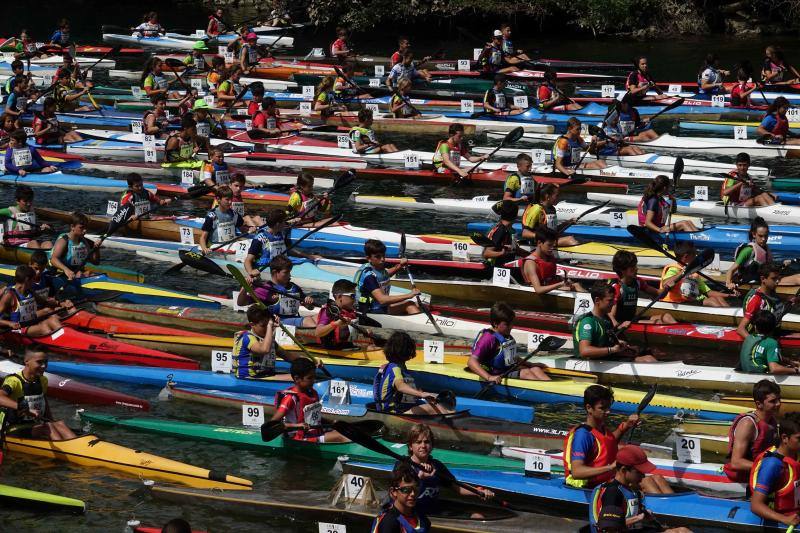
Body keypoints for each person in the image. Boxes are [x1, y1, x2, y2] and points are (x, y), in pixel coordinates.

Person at [564, 384, 672, 494]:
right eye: (602, 408)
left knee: (658, 478)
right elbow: (577, 472)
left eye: (608, 407)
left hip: (609, 480)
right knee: (647, 481)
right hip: (591, 488)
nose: (608, 411)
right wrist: (610, 467)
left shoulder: (600, 428)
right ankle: (665, 509)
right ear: (589, 408)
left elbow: (607, 444)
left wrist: (626, 426)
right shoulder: (582, 435)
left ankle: (673, 507)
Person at [397, 424, 495, 518]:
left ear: (431, 445)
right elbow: (399, 496)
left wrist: (479, 491)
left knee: (477, 517)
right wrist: (420, 479)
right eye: (418, 442)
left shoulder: (437, 465)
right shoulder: (403, 465)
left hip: (434, 511)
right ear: (410, 446)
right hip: (411, 513)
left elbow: (458, 487)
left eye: (427, 442)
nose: (423, 445)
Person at [589, 445, 691, 532]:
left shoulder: (631, 490)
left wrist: (661, 528)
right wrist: (637, 518)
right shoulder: (613, 492)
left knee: (682, 530)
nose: (643, 476)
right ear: (624, 470)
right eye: (639, 472)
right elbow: (608, 527)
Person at [0, 349, 76, 441]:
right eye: (39, 362)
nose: (44, 366)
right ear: (26, 361)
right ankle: (66, 452)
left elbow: (43, 399)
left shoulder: (43, 380)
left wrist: (50, 419)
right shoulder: (14, 381)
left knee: (59, 424)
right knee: (47, 427)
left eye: (45, 362)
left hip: (33, 425)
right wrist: (24, 408)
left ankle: (80, 448)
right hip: (12, 428)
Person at [573, 283, 657, 362]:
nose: (613, 304)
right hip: (591, 363)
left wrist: (625, 348)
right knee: (648, 359)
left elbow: (608, 343)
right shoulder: (588, 322)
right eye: (610, 300)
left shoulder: (606, 319)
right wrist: (612, 350)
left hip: (605, 358)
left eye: (613, 300)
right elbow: (584, 351)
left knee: (652, 351)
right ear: (597, 300)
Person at [374, 331, 453, 416]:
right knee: (436, 408)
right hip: (392, 414)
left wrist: (428, 396)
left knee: (450, 410)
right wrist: (421, 394)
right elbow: (401, 386)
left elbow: (411, 391)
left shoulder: (401, 368)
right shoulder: (394, 368)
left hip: (403, 410)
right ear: (405, 350)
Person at [468, 301, 550, 382]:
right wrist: (489, 377)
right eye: (507, 324)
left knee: (536, 369)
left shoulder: (504, 335)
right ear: (495, 323)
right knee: (526, 373)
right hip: (494, 374)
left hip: (505, 370)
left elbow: (511, 357)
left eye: (512, 323)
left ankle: (553, 391)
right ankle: (547, 394)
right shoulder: (488, 338)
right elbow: (471, 362)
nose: (511, 327)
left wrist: (530, 364)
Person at [272, 357, 348, 442]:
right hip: (299, 438)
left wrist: (331, 422)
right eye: (310, 378)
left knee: (343, 432)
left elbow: (314, 419)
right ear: (297, 379)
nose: (313, 381)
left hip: (314, 433)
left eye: (314, 377)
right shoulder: (291, 398)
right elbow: (273, 425)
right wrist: (297, 426)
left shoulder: (312, 393)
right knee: (341, 436)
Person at [749, 412, 800, 527]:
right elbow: (755, 505)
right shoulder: (772, 465)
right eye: (799, 438)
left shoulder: (796, 455)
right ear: (785, 438)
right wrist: (784, 519)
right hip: (780, 516)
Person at [236, 255, 317, 328]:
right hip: (278, 322)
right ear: (275, 272)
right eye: (286, 272)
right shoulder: (266, 289)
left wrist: (309, 303)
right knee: (309, 321)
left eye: (289, 272)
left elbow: (310, 308)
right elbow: (241, 303)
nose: (289, 275)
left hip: (294, 320)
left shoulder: (294, 287)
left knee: (318, 317)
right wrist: (245, 286)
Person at [243, 208, 319, 282]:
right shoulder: (260, 239)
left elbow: (287, 250)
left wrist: (307, 256)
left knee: (307, 262)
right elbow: (248, 260)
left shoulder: (280, 234)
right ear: (277, 224)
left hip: (283, 263)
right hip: (268, 266)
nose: (285, 224)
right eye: (283, 222)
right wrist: (251, 271)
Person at [233, 305, 306, 381]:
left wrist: (310, 362)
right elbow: (264, 349)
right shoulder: (247, 337)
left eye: (268, 325)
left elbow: (289, 356)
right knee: (300, 379)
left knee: (304, 374)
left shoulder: (269, 341)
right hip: (248, 377)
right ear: (252, 325)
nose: (267, 328)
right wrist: (270, 325)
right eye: (264, 326)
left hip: (264, 375)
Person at [727, 218, 800, 289]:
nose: (764, 239)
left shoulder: (766, 248)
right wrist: (729, 283)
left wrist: (783, 264)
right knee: (798, 279)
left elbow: (769, 267)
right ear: (754, 234)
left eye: (766, 236)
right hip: (755, 282)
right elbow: (731, 270)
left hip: (768, 278)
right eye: (760, 236)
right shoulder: (748, 250)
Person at [610, 250, 676, 328]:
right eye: (633, 267)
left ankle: (683, 333)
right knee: (658, 323)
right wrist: (618, 326)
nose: (636, 268)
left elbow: (659, 294)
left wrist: (667, 288)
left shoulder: (637, 282)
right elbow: (611, 316)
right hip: (622, 323)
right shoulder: (616, 287)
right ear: (622, 270)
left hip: (632, 319)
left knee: (666, 317)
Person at [354, 239, 420, 315]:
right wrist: (409, 295)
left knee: (417, 304)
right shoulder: (369, 277)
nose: (382, 259)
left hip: (379, 306)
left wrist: (400, 266)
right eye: (378, 257)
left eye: (383, 255)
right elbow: (382, 300)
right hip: (370, 310)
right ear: (368, 258)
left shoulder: (375, 267)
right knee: (410, 305)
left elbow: (385, 274)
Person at [660, 241, 731, 308]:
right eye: (694, 254)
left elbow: (707, 292)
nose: (696, 256)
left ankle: (730, 315)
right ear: (686, 257)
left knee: (718, 298)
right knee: (711, 301)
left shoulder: (693, 272)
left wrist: (728, 295)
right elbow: (665, 284)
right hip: (675, 303)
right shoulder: (673, 269)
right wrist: (682, 273)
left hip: (689, 301)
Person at [0, 265, 64, 336]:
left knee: (49, 313)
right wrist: (9, 323)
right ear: (27, 280)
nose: (34, 282)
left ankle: (64, 332)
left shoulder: (29, 291)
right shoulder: (9, 296)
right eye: (33, 280)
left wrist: (61, 304)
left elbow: (45, 302)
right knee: (44, 328)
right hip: (18, 327)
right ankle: (55, 339)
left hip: (30, 320)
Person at [372, 462, 431, 533]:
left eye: (415, 489)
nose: (412, 494)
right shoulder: (389, 522)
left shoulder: (422, 519)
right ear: (393, 491)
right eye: (406, 490)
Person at [519, 228, 577, 295]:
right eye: (549, 245)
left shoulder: (549, 256)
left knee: (576, 285)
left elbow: (550, 277)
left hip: (552, 288)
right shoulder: (531, 263)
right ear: (539, 243)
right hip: (541, 293)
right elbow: (538, 290)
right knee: (576, 287)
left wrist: (563, 280)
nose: (552, 248)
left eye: (553, 245)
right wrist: (560, 284)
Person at [740, 310, 799, 375]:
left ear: (755, 327)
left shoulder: (749, 337)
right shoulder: (771, 342)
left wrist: (789, 362)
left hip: (745, 371)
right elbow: (774, 369)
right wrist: (795, 370)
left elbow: (765, 353)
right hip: (759, 375)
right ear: (773, 327)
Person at [736, 263, 785, 338]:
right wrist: (756, 343)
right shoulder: (756, 299)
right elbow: (740, 329)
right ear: (763, 279)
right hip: (757, 337)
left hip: (772, 332)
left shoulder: (772, 294)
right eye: (774, 279)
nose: (777, 281)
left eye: (778, 278)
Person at [199, 186, 248, 253]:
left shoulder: (234, 214)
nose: (230, 202)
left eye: (231, 199)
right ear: (218, 199)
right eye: (227, 199)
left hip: (231, 244)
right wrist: (204, 249)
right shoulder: (212, 216)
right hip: (216, 246)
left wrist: (250, 230)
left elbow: (242, 228)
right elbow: (203, 237)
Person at [50, 211, 98, 280]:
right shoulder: (63, 241)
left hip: (76, 272)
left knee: (89, 273)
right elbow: (53, 259)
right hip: (60, 272)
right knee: (80, 274)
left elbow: (95, 262)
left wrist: (96, 249)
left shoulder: (84, 242)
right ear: (72, 227)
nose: (85, 230)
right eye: (81, 227)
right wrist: (66, 270)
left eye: (86, 227)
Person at [316, 279, 358, 349]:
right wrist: (335, 324)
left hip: (347, 348)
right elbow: (318, 332)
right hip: (331, 350)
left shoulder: (349, 311)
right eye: (352, 296)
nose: (355, 300)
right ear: (339, 297)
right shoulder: (328, 311)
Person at [481, 200, 519, 268]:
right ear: (515, 216)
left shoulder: (511, 231)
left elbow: (514, 249)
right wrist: (502, 253)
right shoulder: (500, 230)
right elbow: (486, 253)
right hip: (495, 269)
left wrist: (530, 255)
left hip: (507, 266)